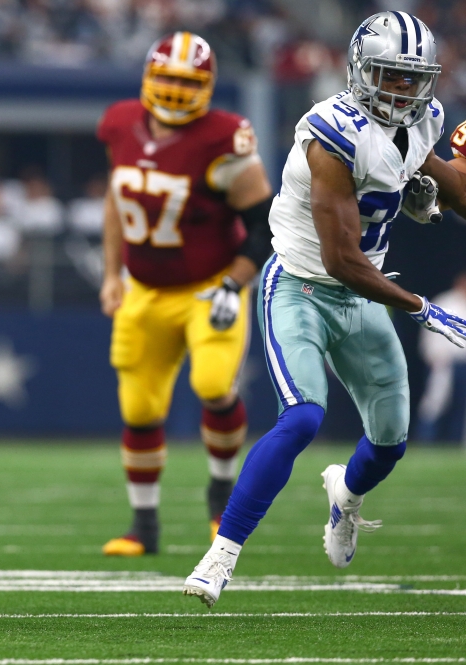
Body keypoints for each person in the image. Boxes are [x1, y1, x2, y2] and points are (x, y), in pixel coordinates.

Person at [183, 11, 466, 608]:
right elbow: (341, 259)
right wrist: (422, 308)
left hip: (364, 292)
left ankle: (347, 498)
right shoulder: (330, 132)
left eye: (414, 79)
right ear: (362, 72)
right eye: (390, 76)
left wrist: (434, 189)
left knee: (389, 443)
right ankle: (220, 555)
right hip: (306, 285)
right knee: (303, 419)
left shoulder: (425, 120)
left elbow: (447, 185)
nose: (402, 91)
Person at [97, 32, 274, 556]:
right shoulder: (119, 122)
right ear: (149, 79)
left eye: (186, 82)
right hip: (144, 290)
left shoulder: (225, 137)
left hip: (207, 287)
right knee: (139, 407)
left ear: (207, 87)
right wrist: (111, 274)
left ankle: (222, 500)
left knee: (214, 383)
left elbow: (263, 230)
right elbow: (114, 203)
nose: (174, 91)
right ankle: (143, 527)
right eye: (167, 79)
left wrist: (232, 283)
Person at [415, 272, 466, 442]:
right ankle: (425, 441)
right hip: (445, 363)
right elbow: (430, 330)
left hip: (464, 363)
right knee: (434, 405)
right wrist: (434, 356)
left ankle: (455, 444)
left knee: (462, 408)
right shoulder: (445, 302)